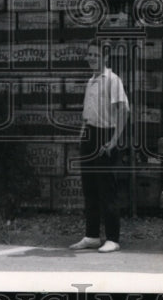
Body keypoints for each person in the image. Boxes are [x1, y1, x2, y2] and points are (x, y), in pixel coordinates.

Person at [69, 40, 130, 253]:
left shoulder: (112, 80)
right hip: (90, 136)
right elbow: (88, 114)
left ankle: (113, 238)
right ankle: (92, 236)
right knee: (90, 189)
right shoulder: (91, 81)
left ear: (105, 58)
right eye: (90, 55)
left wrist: (114, 140)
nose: (92, 58)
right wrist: (81, 136)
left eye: (96, 55)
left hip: (107, 136)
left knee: (108, 189)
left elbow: (124, 111)